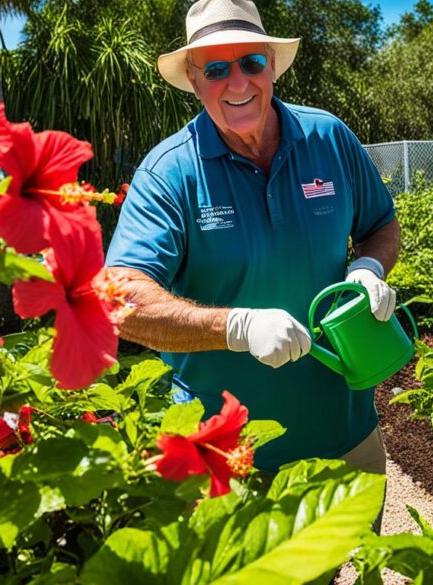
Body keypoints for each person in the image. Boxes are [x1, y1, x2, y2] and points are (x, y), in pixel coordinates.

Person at [105, 0, 400, 480]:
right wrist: (236, 327)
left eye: (251, 62)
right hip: (231, 464)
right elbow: (120, 299)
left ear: (272, 67)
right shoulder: (170, 172)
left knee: (362, 558)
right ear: (195, 82)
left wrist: (368, 269)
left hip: (350, 439)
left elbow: (381, 225)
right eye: (217, 69)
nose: (238, 82)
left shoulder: (329, 138)